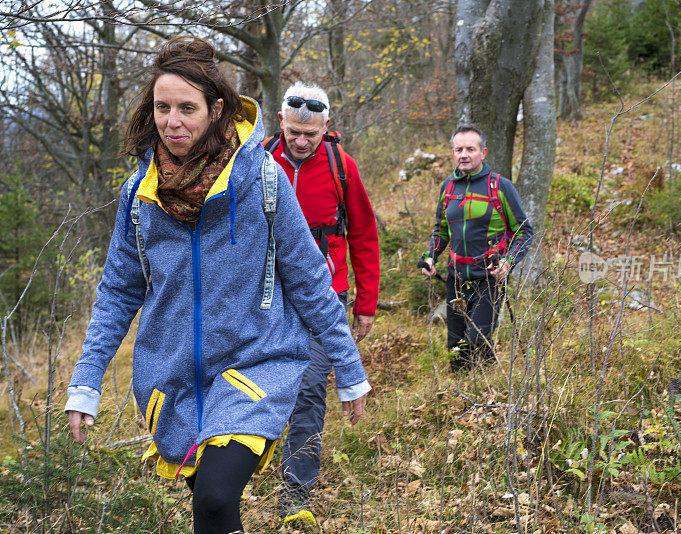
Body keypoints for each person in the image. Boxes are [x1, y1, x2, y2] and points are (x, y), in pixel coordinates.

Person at [64, 36, 369, 534]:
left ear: (216, 109)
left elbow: (311, 280)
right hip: (174, 380)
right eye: (162, 108)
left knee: (213, 495)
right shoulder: (139, 196)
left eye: (187, 108)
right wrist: (85, 380)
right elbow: (119, 291)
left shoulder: (263, 182)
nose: (172, 122)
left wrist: (348, 365)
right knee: (216, 512)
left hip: (256, 365)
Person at [263, 82, 379, 524]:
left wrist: (366, 303)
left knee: (311, 387)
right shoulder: (256, 162)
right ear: (280, 122)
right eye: (294, 131)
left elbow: (365, 236)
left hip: (325, 297)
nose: (301, 141)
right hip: (266, 296)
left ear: (326, 126)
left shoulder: (341, 167)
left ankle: (296, 496)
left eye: (310, 133)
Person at [419, 125, 533, 371]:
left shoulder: (501, 187)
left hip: (489, 278)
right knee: (456, 349)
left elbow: (524, 232)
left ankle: (492, 390)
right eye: (458, 149)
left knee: (476, 340)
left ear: (483, 153)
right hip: (456, 278)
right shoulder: (448, 188)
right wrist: (430, 257)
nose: (464, 154)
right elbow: (441, 230)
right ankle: (466, 398)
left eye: (470, 149)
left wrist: (508, 262)